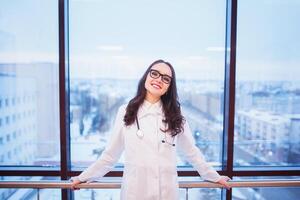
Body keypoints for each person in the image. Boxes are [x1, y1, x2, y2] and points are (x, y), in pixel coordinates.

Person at [70, 59, 231, 199]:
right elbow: (110, 156)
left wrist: (214, 177)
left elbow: (191, 152)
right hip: (135, 192)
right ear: (146, 76)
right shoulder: (125, 111)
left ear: (169, 87)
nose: (159, 79)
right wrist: (83, 177)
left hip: (167, 193)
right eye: (154, 73)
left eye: (166, 78)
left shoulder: (175, 114)